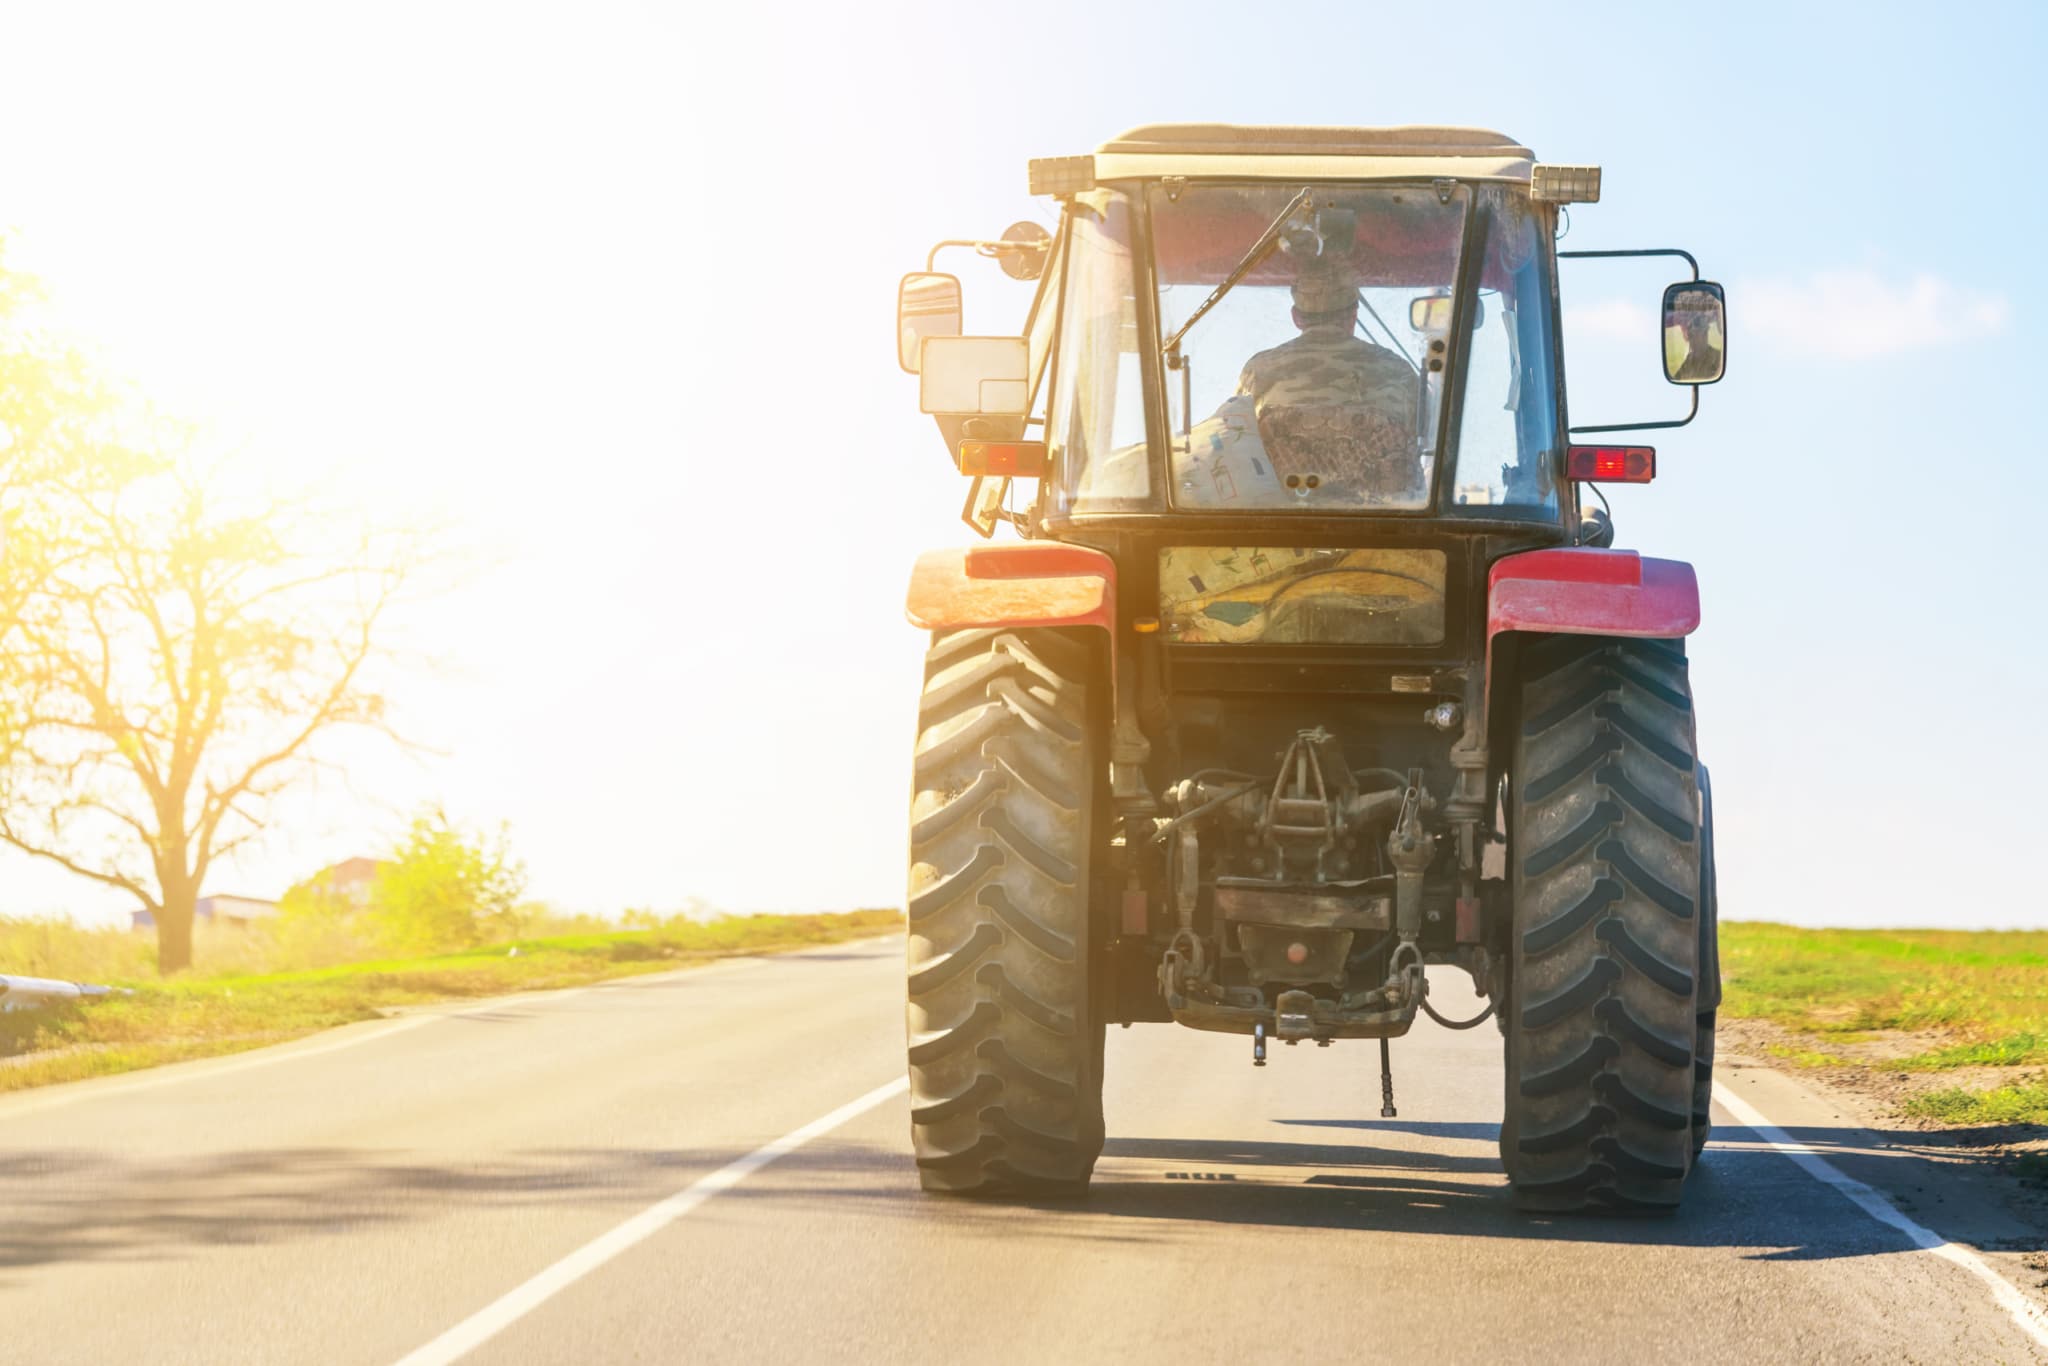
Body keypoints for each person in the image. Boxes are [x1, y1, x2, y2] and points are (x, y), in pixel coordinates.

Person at [1234, 256, 1423, 501]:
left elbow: (1237, 443)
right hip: (1380, 533)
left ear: (1296, 317)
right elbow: (1423, 450)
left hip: (1278, 531)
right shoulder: (1399, 372)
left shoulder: (1257, 371)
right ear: (1354, 315)